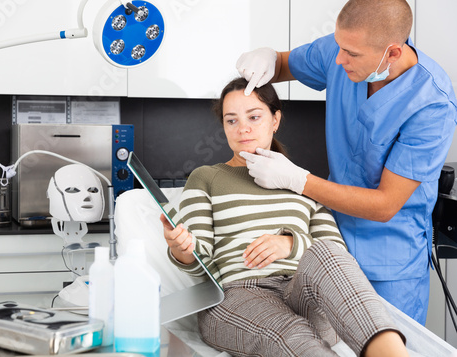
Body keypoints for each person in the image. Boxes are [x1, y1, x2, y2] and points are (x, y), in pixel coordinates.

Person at [235, 0, 457, 325]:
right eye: (339, 46)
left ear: (392, 53)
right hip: (331, 244)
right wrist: (267, 58)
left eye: (351, 54)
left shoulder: (432, 104)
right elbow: (284, 64)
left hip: (390, 261)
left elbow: (385, 205)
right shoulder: (344, 47)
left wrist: (298, 180)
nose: (339, 60)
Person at [161, 77, 408, 356]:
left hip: (303, 294)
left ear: (275, 119)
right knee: (292, 335)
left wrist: (290, 244)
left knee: (326, 254)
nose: (243, 128)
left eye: (254, 117)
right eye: (231, 121)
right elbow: (199, 262)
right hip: (237, 295)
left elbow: (335, 255)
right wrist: (181, 248)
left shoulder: (301, 182)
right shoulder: (206, 178)